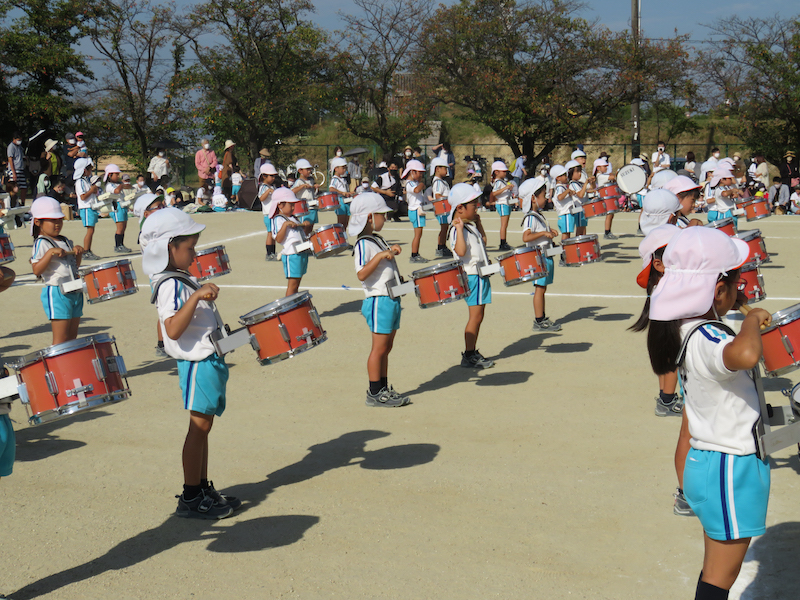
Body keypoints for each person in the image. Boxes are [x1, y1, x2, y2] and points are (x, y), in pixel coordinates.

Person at [647, 226, 771, 599]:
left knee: (715, 572)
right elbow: (746, 354)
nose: (742, 290)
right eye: (736, 282)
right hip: (729, 468)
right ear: (719, 291)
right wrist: (751, 320)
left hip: (713, 465)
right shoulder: (709, 337)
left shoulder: (683, 329)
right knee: (718, 582)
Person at [141, 208, 241, 519]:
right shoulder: (169, 283)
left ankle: (201, 485)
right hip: (196, 362)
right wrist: (196, 297)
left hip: (208, 358)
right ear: (169, 247)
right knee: (198, 428)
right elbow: (171, 328)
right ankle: (190, 495)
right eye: (189, 247)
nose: (194, 253)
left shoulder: (181, 277)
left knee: (205, 426)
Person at [628, 224, 694, 517]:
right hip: (694, 373)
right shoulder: (670, 292)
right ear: (659, 263)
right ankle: (685, 494)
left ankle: (687, 493)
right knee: (690, 433)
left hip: (691, 372)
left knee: (690, 432)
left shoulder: (670, 286)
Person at [349, 192, 410, 408]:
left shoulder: (376, 239)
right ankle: (374, 392)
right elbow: (361, 274)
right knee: (378, 349)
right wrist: (381, 255)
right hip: (378, 300)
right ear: (369, 217)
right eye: (381, 214)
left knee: (386, 347)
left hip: (391, 299)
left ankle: (383, 388)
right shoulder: (363, 243)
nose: (385, 218)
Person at [448, 183, 494, 369]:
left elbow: (483, 241)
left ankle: (472, 351)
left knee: (479, 315)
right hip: (472, 276)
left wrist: (479, 223)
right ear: (460, 208)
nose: (477, 207)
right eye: (473, 205)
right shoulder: (457, 229)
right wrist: (458, 230)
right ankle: (469, 354)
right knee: (475, 317)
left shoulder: (470, 226)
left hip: (480, 275)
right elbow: (460, 251)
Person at [30, 196, 85, 345]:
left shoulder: (65, 240)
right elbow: (36, 270)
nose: (57, 224)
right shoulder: (41, 242)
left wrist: (77, 254)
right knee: (60, 341)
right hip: (57, 293)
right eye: (52, 220)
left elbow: (74, 267)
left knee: (72, 340)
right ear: (37, 222)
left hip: (75, 290)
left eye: (59, 220)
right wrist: (50, 253)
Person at [519, 177, 561, 332]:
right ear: (533, 198)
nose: (546, 197)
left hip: (545, 255)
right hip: (538, 258)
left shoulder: (538, 215)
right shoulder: (530, 217)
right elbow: (526, 237)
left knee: (542, 288)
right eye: (543, 195)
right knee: (539, 288)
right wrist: (544, 232)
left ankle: (541, 317)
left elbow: (539, 235)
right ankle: (539, 320)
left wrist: (549, 234)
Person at [133, 192, 168, 358]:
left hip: (167, 271)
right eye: (158, 207)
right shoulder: (146, 233)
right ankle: (162, 344)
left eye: (162, 205)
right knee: (164, 309)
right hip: (159, 275)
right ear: (146, 214)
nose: (162, 209)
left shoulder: (158, 226)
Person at [270, 187, 309, 296]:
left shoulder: (294, 217)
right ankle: (289, 308)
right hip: (291, 254)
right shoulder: (278, 219)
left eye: (293, 205)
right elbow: (278, 239)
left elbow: (302, 234)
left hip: (301, 252)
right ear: (280, 205)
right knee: (292, 285)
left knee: (297, 284)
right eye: (290, 204)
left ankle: (293, 306)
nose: (293, 207)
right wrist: (284, 226)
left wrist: (305, 225)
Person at [73, 157, 101, 260]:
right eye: (89, 169)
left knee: (91, 230)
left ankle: (88, 250)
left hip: (91, 207)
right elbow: (83, 196)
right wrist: (92, 190)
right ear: (84, 170)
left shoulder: (86, 181)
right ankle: (86, 251)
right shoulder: (79, 182)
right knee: (90, 230)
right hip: (86, 208)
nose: (91, 172)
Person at [403, 159, 427, 263]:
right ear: (412, 172)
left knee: (419, 234)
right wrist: (422, 184)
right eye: (419, 173)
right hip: (415, 210)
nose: (421, 175)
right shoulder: (410, 184)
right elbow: (417, 190)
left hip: (418, 210)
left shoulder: (414, 182)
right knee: (417, 234)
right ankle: (414, 254)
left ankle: (416, 254)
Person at [104, 164, 132, 253]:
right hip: (116, 206)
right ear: (110, 175)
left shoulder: (117, 183)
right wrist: (121, 185)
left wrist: (124, 184)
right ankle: (117, 246)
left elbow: (128, 187)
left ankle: (121, 244)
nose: (118, 176)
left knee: (124, 226)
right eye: (116, 174)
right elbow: (116, 191)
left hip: (123, 205)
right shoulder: (109, 185)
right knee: (119, 227)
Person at [430, 156, 453, 258]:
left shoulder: (442, 181)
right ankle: (440, 247)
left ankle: (442, 245)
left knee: (445, 227)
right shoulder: (438, 182)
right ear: (437, 169)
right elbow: (437, 195)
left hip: (445, 208)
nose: (446, 170)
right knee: (444, 228)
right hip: (441, 208)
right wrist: (449, 198)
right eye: (444, 168)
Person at [489, 160, 514, 251]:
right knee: (503, 225)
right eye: (503, 171)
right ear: (496, 172)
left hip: (506, 203)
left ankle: (504, 242)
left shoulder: (502, 181)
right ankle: (502, 243)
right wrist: (506, 188)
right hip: (502, 203)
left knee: (505, 224)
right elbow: (494, 193)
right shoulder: (498, 182)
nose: (505, 173)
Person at [592, 156, 617, 239]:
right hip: (606, 197)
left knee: (611, 214)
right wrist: (616, 174)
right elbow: (613, 177)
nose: (606, 168)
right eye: (604, 166)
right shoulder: (600, 176)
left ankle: (608, 231)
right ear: (598, 168)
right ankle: (607, 232)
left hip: (608, 196)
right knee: (609, 214)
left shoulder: (603, 175)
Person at [257, 163, 278, 260]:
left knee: (274, 234)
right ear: (264, 176)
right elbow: (261, 198)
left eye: (274, 176)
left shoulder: (272, 186)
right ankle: (269, 254)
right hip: (268, 214)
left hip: (274, 214)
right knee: (270, 233)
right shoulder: (263, 187)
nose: (273, 178)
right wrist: (268, 191)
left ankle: (273, 252)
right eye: (271, 176)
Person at [566, 160, 591, 237]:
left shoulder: (578, 183)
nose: (579, 174)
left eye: (580, 171)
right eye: (577, 172)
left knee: (583, 228)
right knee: (580, 229)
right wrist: (586, 183)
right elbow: (580, 195)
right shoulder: (573, 184)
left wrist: (592, 182)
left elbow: (589, 189)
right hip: (578, 208)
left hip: (582, 208)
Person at [329, 157, 354, 230]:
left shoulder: (343, 179)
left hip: (346, 201)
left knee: (345, 224)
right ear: (336, 168)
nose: (344, 169)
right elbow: (331, 188)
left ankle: (343, 238)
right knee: (341, 223)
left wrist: (349, 193)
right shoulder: (335, 179)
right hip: (340, 201)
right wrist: (342, 193)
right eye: (343, 168)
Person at [7, 132, 27, 207]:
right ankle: (11, 202)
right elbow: (10, 159)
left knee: (24, 187)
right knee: (13, 188)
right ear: (14, 139)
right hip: (14, 170)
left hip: (20, 169)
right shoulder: (11, 147)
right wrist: (13, 172)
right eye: (18, 140)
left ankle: (22, 203)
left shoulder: (20, 147)